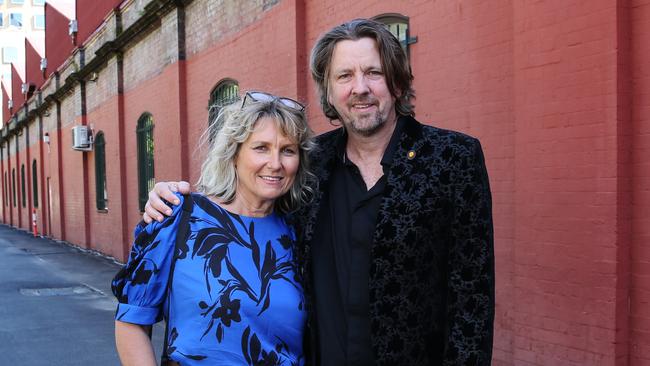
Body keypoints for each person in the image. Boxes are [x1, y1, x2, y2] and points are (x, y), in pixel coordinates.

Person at [145, 18, 494, 365]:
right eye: (344, 76)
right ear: (328, 91)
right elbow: (247, 199)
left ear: (397, 84)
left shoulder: (453, 158)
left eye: (373, 72)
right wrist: (172, 197)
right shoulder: (310, 161)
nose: (360, 88)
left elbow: (472, 300)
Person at [112, 91, 315, 366]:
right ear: (234, 153)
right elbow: (132, 321)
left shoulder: (300, 232)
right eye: (261, 148)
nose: (276, 164)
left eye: (288, 150)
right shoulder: (179, 217)